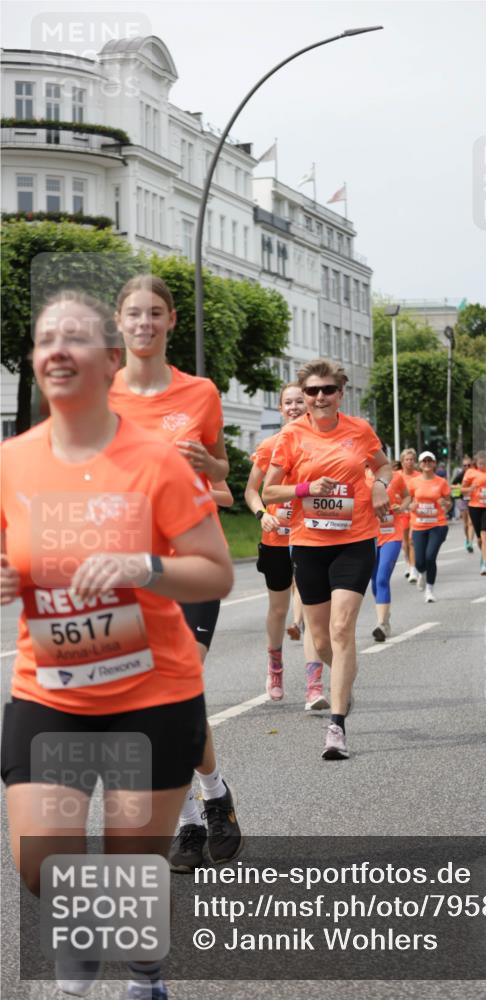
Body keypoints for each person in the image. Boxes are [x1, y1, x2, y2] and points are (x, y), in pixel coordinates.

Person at [0, 290, 233, 1000]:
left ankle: (144, 973)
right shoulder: (11, 463)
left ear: (109, 362)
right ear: (37, 363)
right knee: (41, 861)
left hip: (154, 694)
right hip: (50, 691)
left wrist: (146, 567)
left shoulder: (154, 461)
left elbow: (217, 572)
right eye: (46, 339)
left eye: (75, 338)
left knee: (134, 866)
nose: (58, 350)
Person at [109, 274, 241, 873]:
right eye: (133, 313)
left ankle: (212, 800)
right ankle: (193, 818)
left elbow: (221, 473)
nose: (143, 322)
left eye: (154, 313)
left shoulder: (202, 393)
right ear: (119, 322)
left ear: (170, 322)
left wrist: (207, 462)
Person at [262, 359, 392, 760]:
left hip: (355, 539)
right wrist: (304, 487)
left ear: (341, 393)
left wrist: (382, 485)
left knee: (341, 627)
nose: (320, 397)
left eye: (328, 390)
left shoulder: (359, 430)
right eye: (312, 391)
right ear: (305, 396)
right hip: (308, 543)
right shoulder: (291, 436)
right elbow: (269, 491)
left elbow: (382, 464)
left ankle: (337, 726)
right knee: (319, 639)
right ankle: (344, 680)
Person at [244, 383, 328, 710]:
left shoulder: (318, 443)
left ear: (307, 405)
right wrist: (261, 514)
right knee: (279, 609)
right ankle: (275, 668)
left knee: (309, 605)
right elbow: (253, 491)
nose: (293, 407)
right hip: (276, 538)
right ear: (280, 408)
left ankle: (314, 686)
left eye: (298, 401)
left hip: (311, 536)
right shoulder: (269, 445)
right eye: (287, 402)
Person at [402, 451, 452, 602]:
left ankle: (429, 590)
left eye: (430, 461)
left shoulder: (441, 482)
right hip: (418, 525)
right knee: (419, 561)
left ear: (434, 463)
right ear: (420, 464)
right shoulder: (413, 482)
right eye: (424, 461)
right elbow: (407, 502)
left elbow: (449, 504)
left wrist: (446, 504)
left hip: (438, 524)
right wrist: (410, 506)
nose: (427, 463)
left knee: (430, 557)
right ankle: (422, 574)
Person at [371, 464, 409, 639]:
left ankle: (381, 624)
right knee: (374, 583)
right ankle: (385, 615)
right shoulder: (359, 477)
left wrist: (401, 507)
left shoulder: (396, 477)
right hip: (369, 536)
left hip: (392, 534)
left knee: (382, 578)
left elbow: (407, 497)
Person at [399, 448, 420, 580]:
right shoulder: (397, 476)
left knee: (412, 541)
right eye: (407, 459)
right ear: (402, 462)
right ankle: (408, 563)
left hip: (415, 513)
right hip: (401, 513)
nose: (409, 462)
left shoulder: (419, 476)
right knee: (405, 542)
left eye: (412, 459)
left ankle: (413, 569)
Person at [452, 456, 475, 552]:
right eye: (464, 465)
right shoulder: (460, 475)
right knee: (465, 524)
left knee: (471, 522)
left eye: (468, 465)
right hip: (462, 500)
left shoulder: (475, 474)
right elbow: (452, 485)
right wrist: (458, 487)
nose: (466, 467)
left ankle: (470, 542)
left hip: (473, 500)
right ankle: (467, 539)